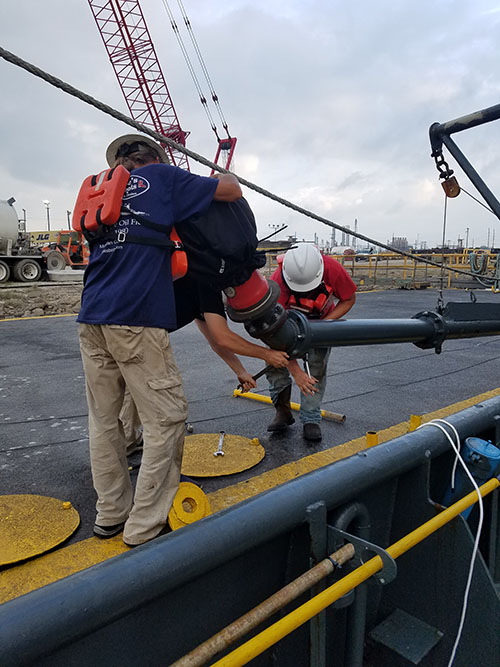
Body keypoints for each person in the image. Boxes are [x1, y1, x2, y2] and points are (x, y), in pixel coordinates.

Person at [77, 132, 243, 547]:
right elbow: (231, 189)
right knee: (167, 419)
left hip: (92, 315)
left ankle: (111, 514)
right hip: (135, 318)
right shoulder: (162, 178)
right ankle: (143, 526)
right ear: (156, 156)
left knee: (103, 420)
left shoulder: (101, 193)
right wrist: (221, 167)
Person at [122, 273, 290, 454]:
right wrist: (267, 354)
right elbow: (223, 338)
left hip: (118, 325)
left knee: (127, 389)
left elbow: (215, 340)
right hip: (141, 333)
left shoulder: (198, 282)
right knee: (169, 409)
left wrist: (240, 371)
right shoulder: (208, 283)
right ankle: (161, 471)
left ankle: (126, 441)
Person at [266, 242, 357, 442]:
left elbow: (349, 299)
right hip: (284, 327)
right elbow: (273, 336)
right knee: (275, 365)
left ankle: (310, 419)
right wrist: (296, 372)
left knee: (316, 369)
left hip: (321, 322)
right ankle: (283, 411)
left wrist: (325, 325)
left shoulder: (332, 268)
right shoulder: (277, 282)